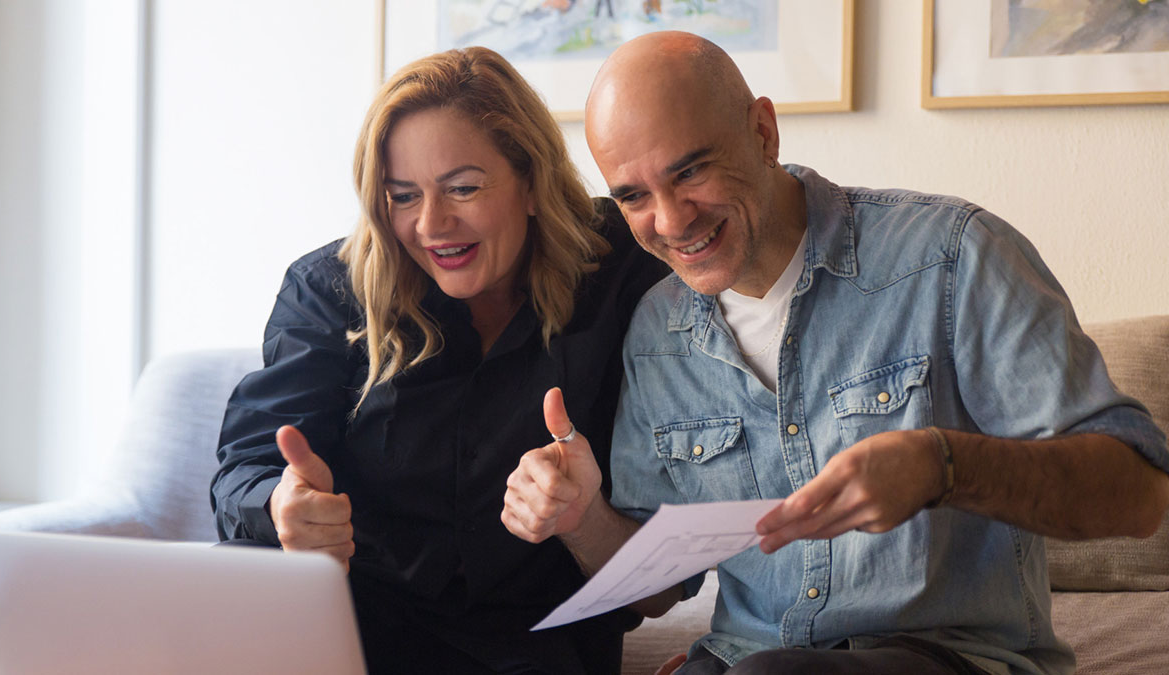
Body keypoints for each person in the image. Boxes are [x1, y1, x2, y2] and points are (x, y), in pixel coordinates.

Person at [500, 31, 1169, 675]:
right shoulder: (655, 333)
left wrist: (944, 466)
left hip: (946, 656)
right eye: (634, 196)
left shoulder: (952, 259)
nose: (672, 220)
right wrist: (581, 517)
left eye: (691, 171)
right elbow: (658, 591)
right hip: (746, 659)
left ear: (764, 133)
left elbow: (1139, 495)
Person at [210, 46, 666, 674]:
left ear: (532, 181)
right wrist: (280, 507)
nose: (431, 224)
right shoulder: (329, 290)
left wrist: (582, 516)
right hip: (359, 633)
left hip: (540, 645)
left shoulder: (626, 269)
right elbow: (245, 473)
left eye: (463, 188)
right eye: (402, 196)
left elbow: (664, 573)